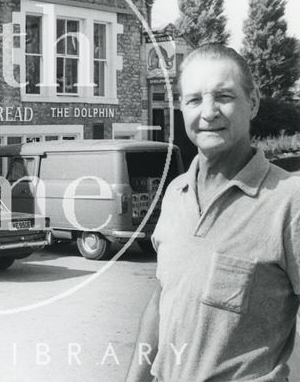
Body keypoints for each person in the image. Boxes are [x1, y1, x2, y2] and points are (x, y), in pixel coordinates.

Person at [126, 44, 300, 381]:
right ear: (181, 108)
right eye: (194, 100)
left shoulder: (289, 201)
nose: (208, 112)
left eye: (223, 96)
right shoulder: (177, 192)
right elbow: (162, 299)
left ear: (253, 102)